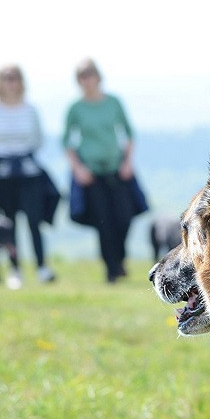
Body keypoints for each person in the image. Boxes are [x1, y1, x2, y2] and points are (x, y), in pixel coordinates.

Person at [63, 58, 146, 282]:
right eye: (82, 77)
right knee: (103, 221)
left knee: (124, 216)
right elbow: (67, 143)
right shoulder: (76, 108)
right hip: (91, 173)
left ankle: (119, 258)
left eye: (90, 76)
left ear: (98, 78)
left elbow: (128, 134)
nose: (87, 81)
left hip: (117, 169)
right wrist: (78, 169)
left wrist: (128, 162)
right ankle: (112, 269)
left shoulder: (114, 103)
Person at [0, 64, 59, 288]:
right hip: (2, 176)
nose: (11, 82)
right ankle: (15, 270)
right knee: (7, 224)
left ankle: (42, 267)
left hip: (28, 173)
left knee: (34, 221)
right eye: (6, 78)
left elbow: (37, 140)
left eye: (14, 78)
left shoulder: (29, 109)